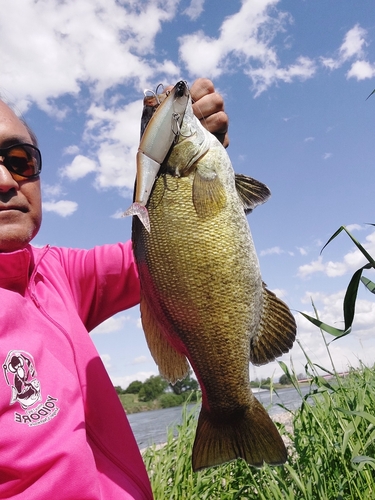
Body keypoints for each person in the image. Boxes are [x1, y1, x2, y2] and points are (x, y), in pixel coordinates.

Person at [0, 79, 228, 499]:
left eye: (19, 160)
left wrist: (194, 171)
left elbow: (171, 254)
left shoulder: (55, 274)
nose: (4, 181)